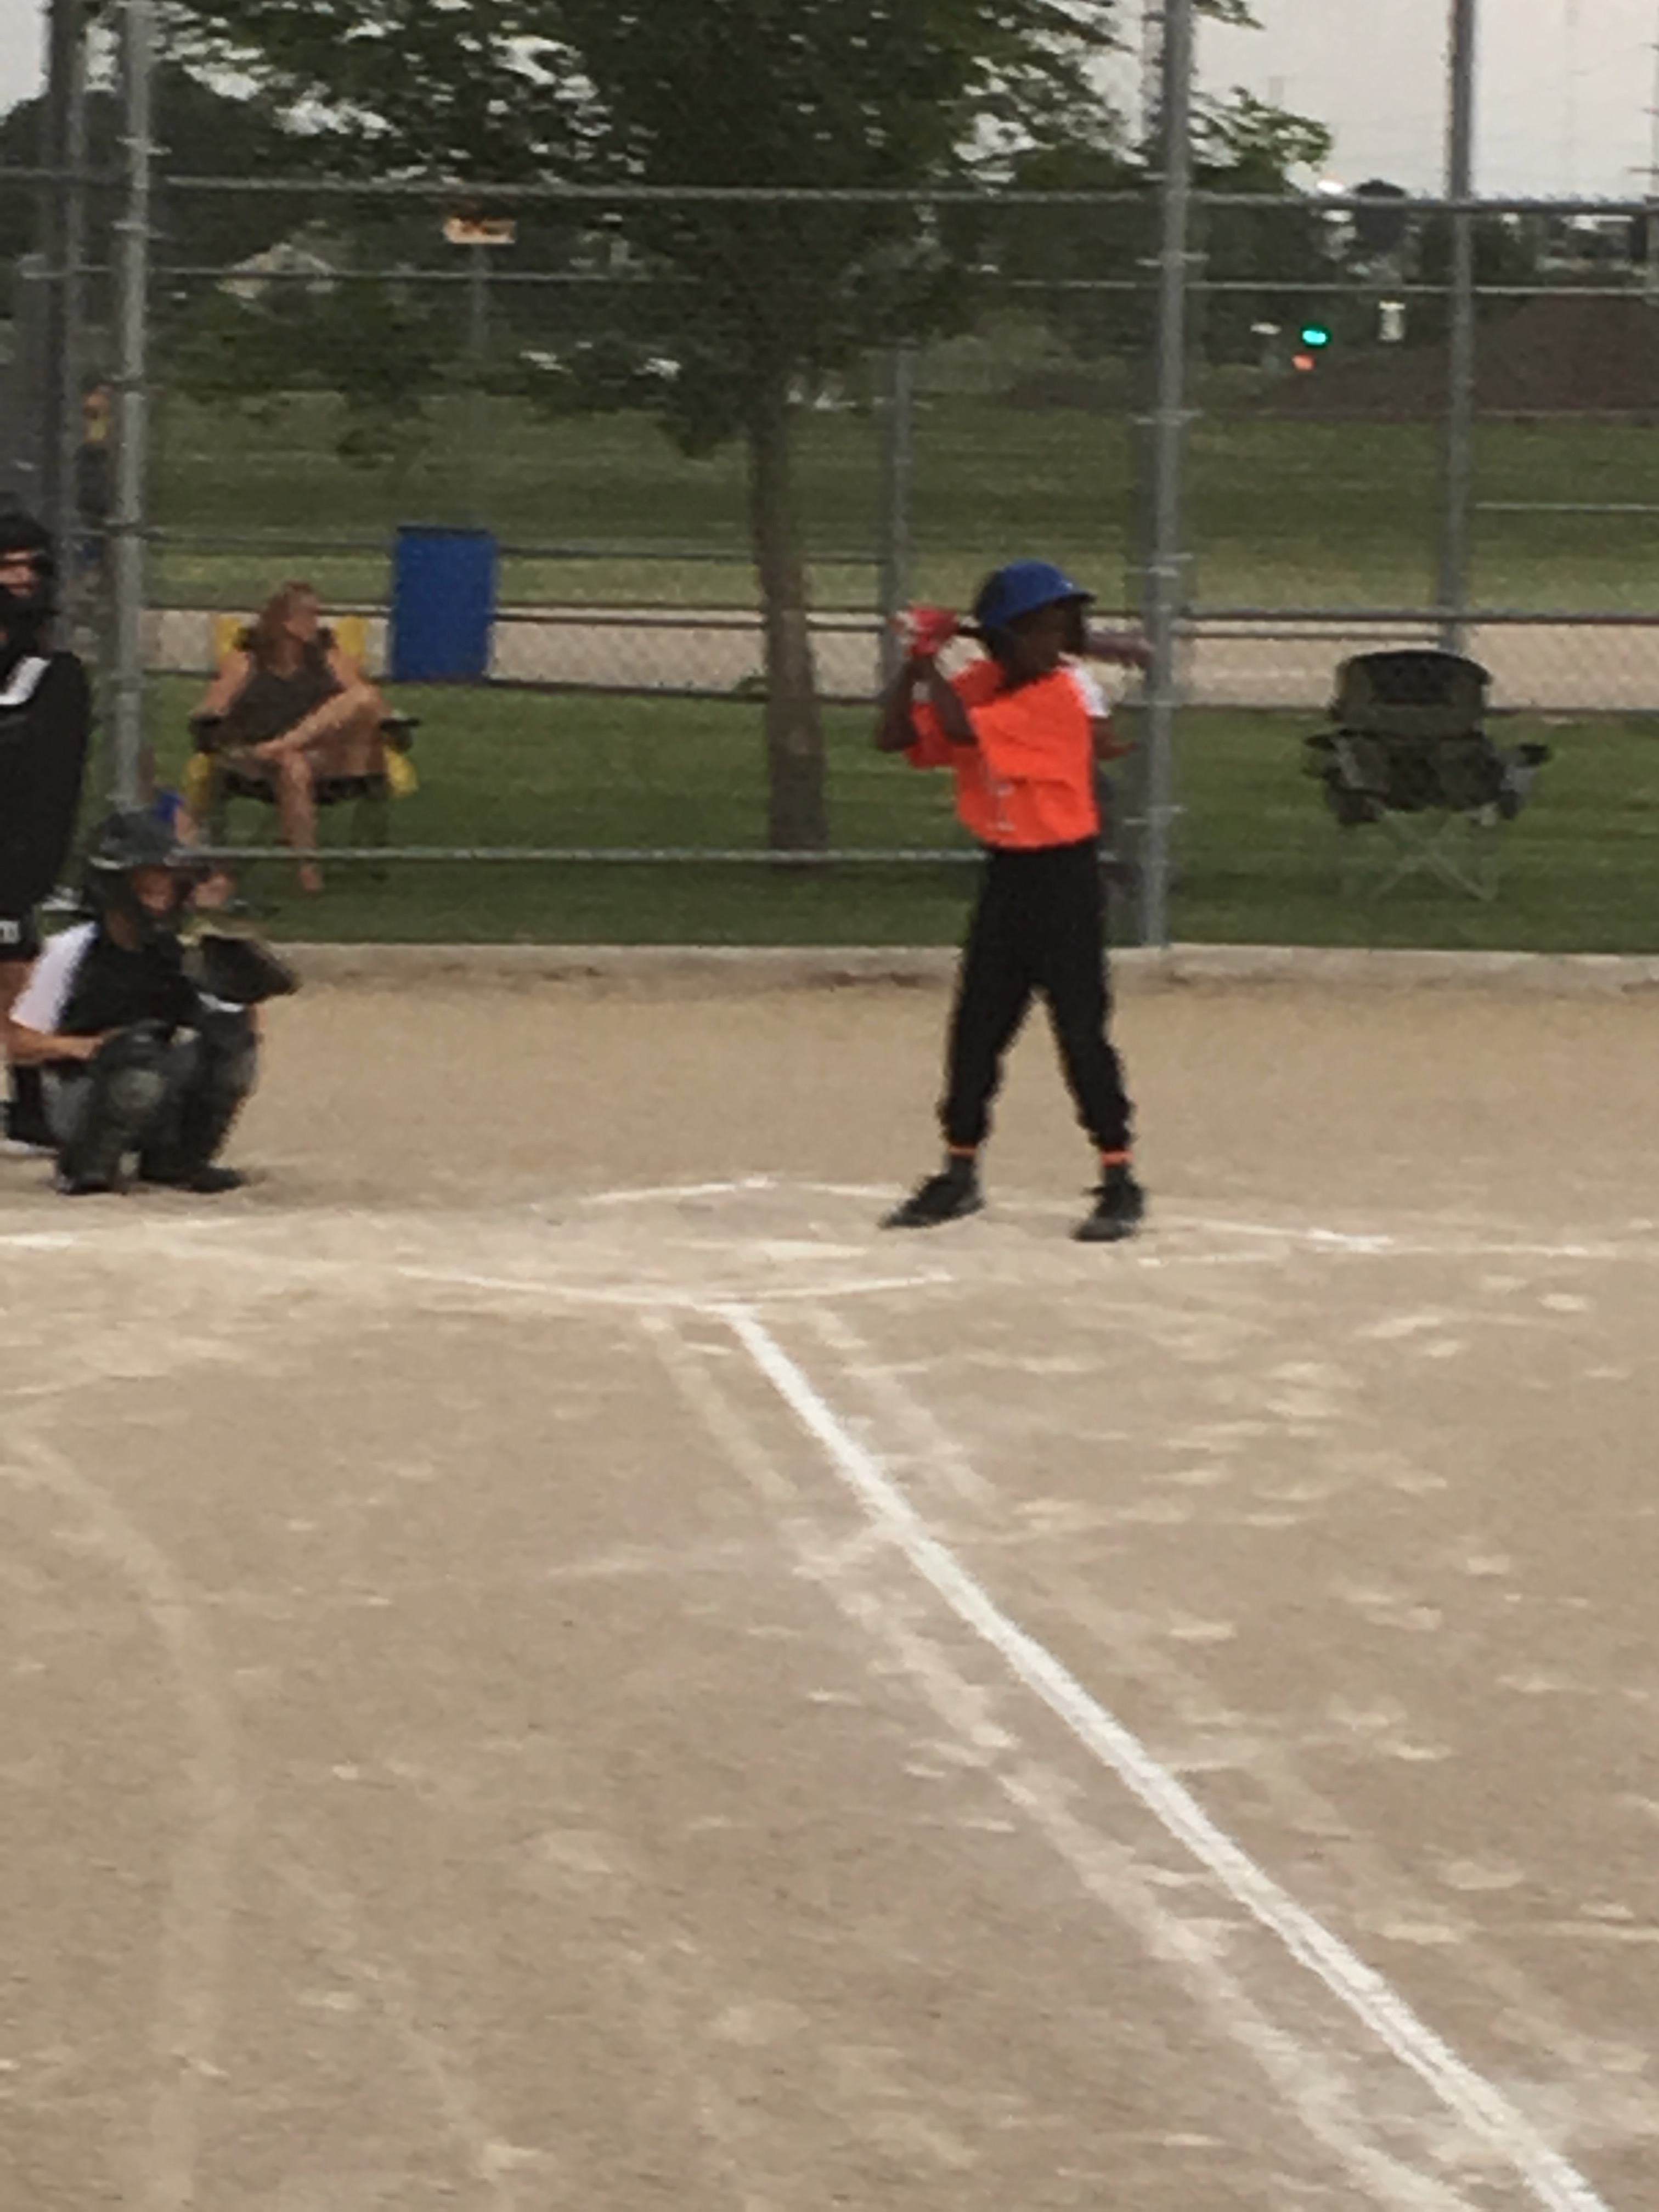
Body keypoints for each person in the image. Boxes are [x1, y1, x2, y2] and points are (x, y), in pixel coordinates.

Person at [876, 558, 1152, 1243]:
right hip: (1007, 879)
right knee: (977, 1030)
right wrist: (914, 666)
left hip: (1066, 881)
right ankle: (959, 1169)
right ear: (1002, 638)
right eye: (1038, 630)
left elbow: (962, 731)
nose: (1055, 643)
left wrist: (929, 659)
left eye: (1061, 629)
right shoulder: (982, 683)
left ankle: (1119, 1176)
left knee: (1080, 1032)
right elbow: (895, 736)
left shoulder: (1057, 697)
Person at [3, 808, 296, 1197]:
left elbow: (232, 1027)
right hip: (80, 1093)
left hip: (153, 1079)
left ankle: (179, 1162)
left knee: (231, 1044)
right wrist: (90, 1047)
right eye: (149, 881)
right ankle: (87, 1166)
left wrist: (236, 1001)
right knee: (136, 1057)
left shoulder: (181, 951)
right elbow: (19, 1043)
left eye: (169, 882)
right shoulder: (73, 950)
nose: (165, 892)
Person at [191, 579, 388, 893]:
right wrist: (212, 726)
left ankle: (285, 744)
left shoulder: (328, 658)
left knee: (361, 697)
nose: (316, 623)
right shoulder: (247, 661)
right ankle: (309, 873)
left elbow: (371, 703)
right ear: (285, 621)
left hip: (328, 757)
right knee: (293, 766)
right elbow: (212, 707)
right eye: (308, 615)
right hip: (258, 759)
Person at [0, 510, 93, 1152]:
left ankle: (34, 1103)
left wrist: (29, 870)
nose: (22, 580)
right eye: (8, 568)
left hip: (11, 851)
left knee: (15, 972)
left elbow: (54, 787)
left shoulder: (50, 676)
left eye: (31, 568)